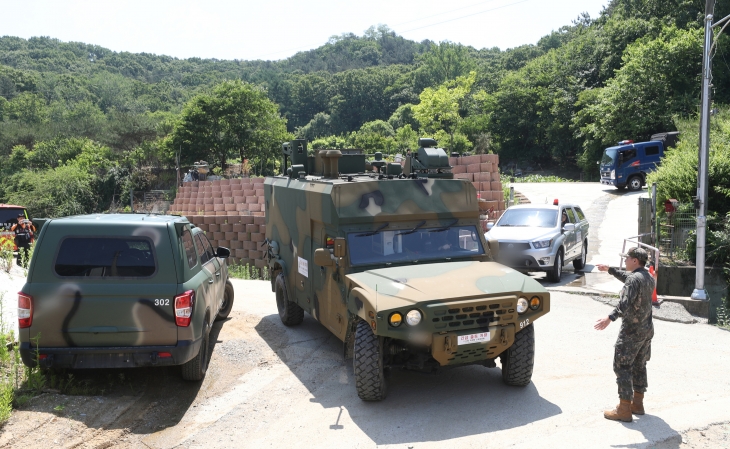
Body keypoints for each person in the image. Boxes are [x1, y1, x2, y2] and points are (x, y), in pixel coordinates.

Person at [594, 247, 655, 422]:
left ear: (635, 260)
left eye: (627, 258)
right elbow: (629, 278)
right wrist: (610, 270)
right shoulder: (647, 277)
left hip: (632, 331)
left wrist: (609, 318)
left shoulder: (634, 280)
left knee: (622, 366)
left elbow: (625, 303)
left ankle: (624, 409)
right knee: (639, 364)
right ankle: (637, 403)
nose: (625, 261)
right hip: (646, 330)